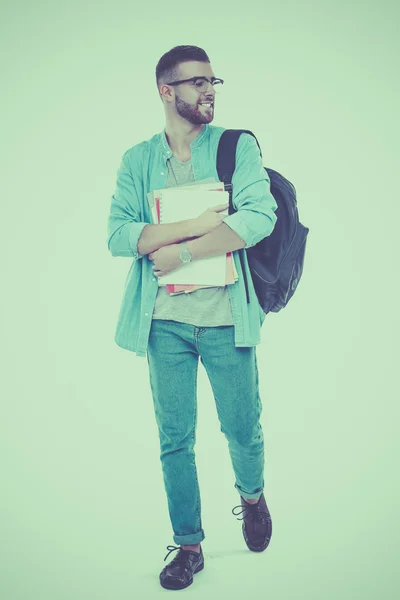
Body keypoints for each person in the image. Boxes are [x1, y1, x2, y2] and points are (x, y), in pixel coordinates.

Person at [107, 45, 278, 590]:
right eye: (196, 81)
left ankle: (251, 496)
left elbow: (258, 215)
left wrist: (178, 249)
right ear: (166, 91)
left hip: (228, 317)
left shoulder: (235, 147)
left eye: (213, 80)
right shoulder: (138, 160)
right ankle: (189, 545)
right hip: (164, 324)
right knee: (174, 438)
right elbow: (118, 235)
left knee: (241, 429)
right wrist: (198, 223)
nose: (209, 90)